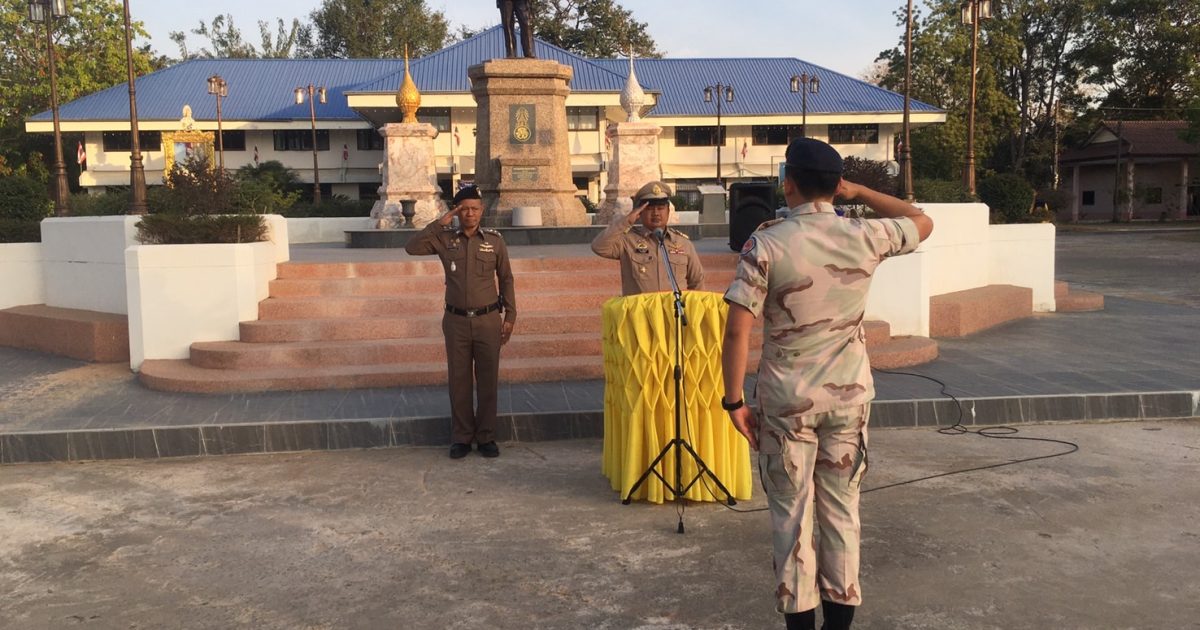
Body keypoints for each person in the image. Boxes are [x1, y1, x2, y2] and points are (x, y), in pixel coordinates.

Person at [720, 138, 934, 630]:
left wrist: (733, 401)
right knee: (841, 513)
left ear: (788, 183)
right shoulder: (866, 234)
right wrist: (859, 192)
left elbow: (736, 330)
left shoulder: (766, 243)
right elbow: (921, 220)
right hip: (848, 399)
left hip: (787, 403)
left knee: (792, 519)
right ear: (837, 185)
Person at [405, 186, 517, 459]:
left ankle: (486, 436)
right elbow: (411, 248)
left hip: (488, 320)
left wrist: (510, 316)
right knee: (459, 381)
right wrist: (439, 223)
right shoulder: (445, 239)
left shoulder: (495, 241)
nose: (470, 214)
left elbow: (506, 279)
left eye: (474, 209)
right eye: (463, 209)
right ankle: (462, 437)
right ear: (456, 211)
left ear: (482, 210)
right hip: (456, 322)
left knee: (488, 380)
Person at [590, 180, 705, 296]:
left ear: (668, 211)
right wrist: (627, 221)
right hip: (640, 308)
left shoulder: (683, 243)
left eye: (660, 208)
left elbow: (697, 281)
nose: (656, 213)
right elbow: (599, 247)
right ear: (640, 212)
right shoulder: (628, 241)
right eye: (650, 208)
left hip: (673, 307)